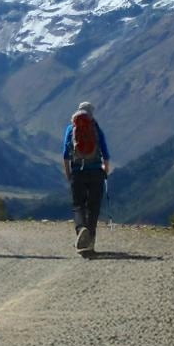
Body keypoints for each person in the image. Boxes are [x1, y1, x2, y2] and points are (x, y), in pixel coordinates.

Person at [62, 101, 111, 256]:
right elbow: (106, 153)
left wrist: (68, 173)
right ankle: (90, 242)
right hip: (96, 171)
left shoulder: (71, 129)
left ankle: (81, 229)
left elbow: (65, 154)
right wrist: (105, 171)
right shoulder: (95, 128)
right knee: (93, 207)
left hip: (77, 171)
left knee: (78, 206)